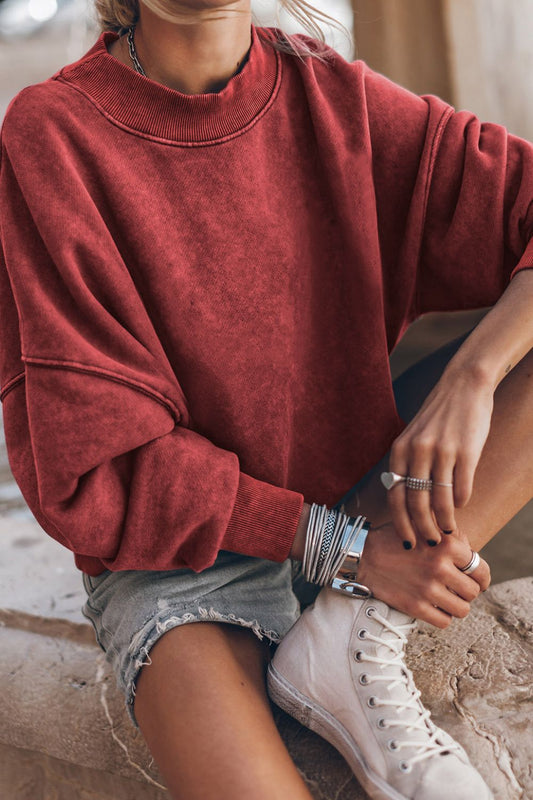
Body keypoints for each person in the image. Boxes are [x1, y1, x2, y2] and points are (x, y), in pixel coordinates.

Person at [0, 0, 532, 798]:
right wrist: (342, 551)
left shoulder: (332, 96)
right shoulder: (52, 134)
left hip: (366, 507)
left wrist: (473, 376)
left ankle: (352, 631)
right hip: (182, 570)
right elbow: (96, 463)